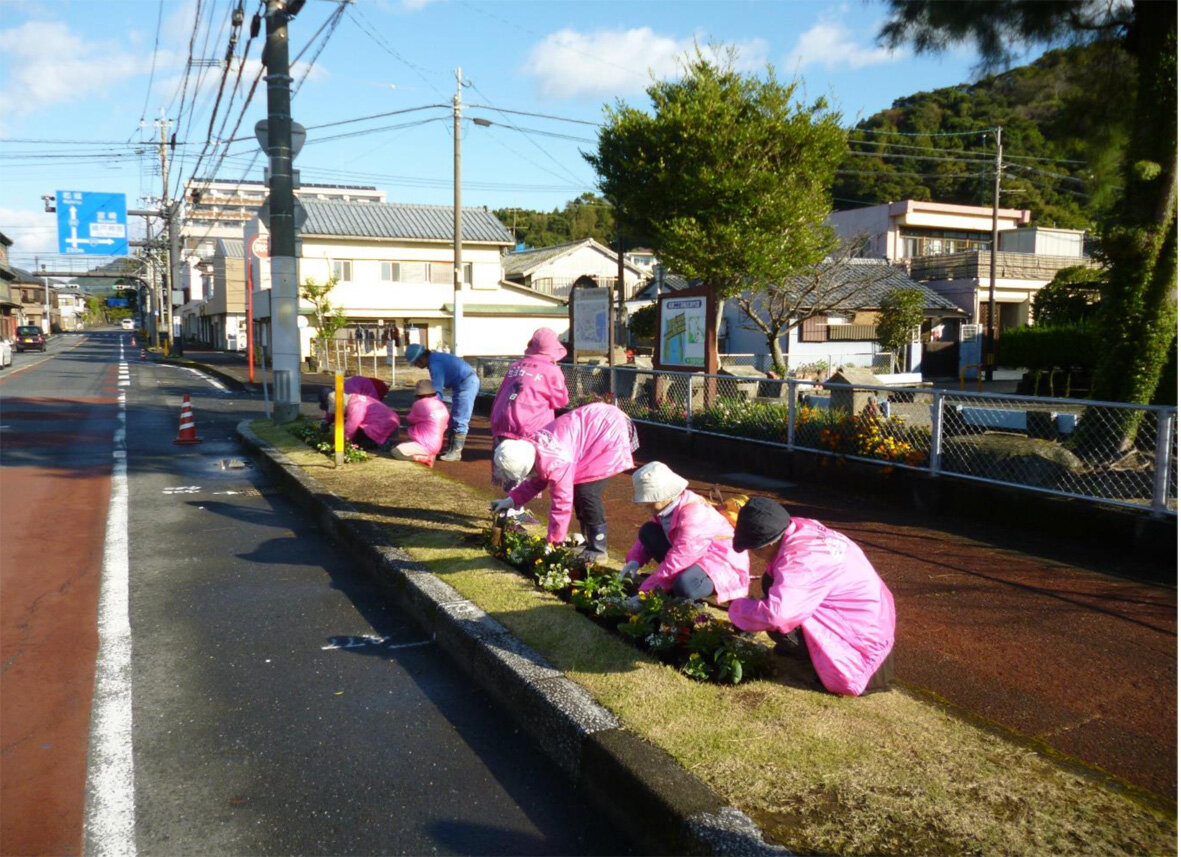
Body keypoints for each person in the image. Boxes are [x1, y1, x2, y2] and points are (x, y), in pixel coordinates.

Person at [726, 497, 896, 696]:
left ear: (766, 545)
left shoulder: (801, 559)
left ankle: (823, 663)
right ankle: (807, 654)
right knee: (770, 582)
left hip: (862, 655)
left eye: (752, 550)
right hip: (872, 624)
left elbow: (777, 615)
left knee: (779, 628)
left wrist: (737, 610)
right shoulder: (802, 529)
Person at [490, 403, 637, 562]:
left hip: (613, 429)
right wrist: (511, 500)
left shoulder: (557, 460)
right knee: (580, 489)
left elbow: (561, 506)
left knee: (587, 492)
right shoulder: (534, 448)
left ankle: (598, 547)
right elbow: (536, 480)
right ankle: (589, 542)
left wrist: (553, 545)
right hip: (598, 424)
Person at [619, 462, 750, 603]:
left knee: (685, 586)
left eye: (651, 500)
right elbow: (658, 536)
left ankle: (689, 595)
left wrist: (645, 593)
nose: (647, 506)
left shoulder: (693, 515)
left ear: (665, 495)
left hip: (720, 563)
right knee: (648, 531)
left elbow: (680, 559)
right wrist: (635, 560)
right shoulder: (667, 507)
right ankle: (669, 587)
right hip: (693, 555)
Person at [489, 326, 569, 457]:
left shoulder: (515, 366)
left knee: (502, 465)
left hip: (500, 422)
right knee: (527, 471)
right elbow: (561, 401)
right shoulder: (552, 370)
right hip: (530, 427)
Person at [404, 343, 479, 462]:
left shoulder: (435, 364)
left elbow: (437, 391)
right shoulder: (434, 359)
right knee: (455, 417)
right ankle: (451, 449)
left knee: (460, 418)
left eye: (417, 362)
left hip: (467, 383)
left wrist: (431, 410)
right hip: (462, 383)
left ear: (422, 357)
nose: (417, 366)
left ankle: (455, 452)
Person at [391, 379, 450, 466]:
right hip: (437, 444)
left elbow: (410, 419)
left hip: (425, 444)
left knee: (395, 451)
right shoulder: (441, 405)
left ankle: (424, 458)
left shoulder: (420, 404)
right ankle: (427, 454)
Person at [326, 391, 400, 451]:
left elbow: (352, 425)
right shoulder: (355, 398)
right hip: (389, 421)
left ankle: (381, 444)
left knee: (359, 436)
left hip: (384, 424)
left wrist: (343, 441)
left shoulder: (355, 405)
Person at [318, 375, 390, 419]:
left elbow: (355, 412)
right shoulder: (337, 394)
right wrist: (327, 419)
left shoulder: (349, 395)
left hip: (375, 387)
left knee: (371, 411)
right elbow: (334, 408)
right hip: (364, 385)